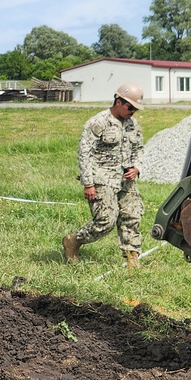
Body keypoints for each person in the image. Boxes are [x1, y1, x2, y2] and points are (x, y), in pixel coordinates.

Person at [63, 83, 145, 267]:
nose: (133, 112)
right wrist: (88, 183)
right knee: (106, 220)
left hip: (126, 180)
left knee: (132, 216)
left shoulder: (133, 125)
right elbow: (84, 153)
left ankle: (132, 259)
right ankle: (73, 241)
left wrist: (137, 167)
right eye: (130, 107)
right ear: (118, 101)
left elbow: (139, 148)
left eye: (135, 108)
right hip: (101, 179)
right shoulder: (98, 122)